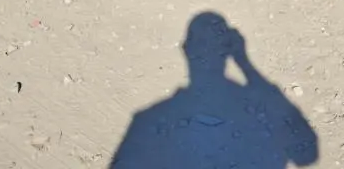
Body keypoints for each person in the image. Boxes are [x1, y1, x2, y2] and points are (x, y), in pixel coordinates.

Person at [110, 12, 319, 169]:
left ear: (186, 49)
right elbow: (306, 154)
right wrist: (245, 64)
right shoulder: (254, 108)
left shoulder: (148, 119)